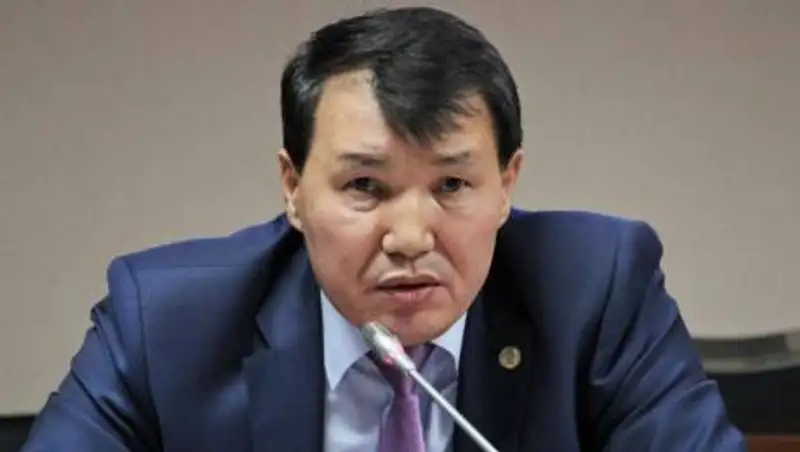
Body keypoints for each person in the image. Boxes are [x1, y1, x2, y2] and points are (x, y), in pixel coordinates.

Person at [23, 6, 745, 452]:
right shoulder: (165, 323)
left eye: (452, 186)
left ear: (507, 183)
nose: (410, 237)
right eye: (365, 187)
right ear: (293, 187)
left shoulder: (596, 291)